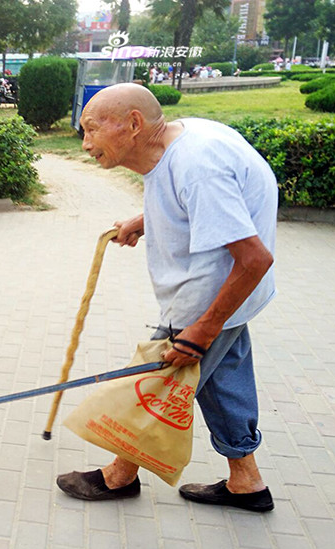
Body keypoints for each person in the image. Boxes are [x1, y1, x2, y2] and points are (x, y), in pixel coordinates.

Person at [56, 83, 277, 513]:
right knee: (221, 380)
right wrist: (147, 219)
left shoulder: (196, 165)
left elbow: (254, 259)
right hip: (230, 296)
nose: (85, 144)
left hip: (210, 297)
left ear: (134, 124)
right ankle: (246, 482)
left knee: (155, 387)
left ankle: (119, 476)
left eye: (91, 130)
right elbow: (206, 204)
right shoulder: (179, 140)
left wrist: (203, 328)